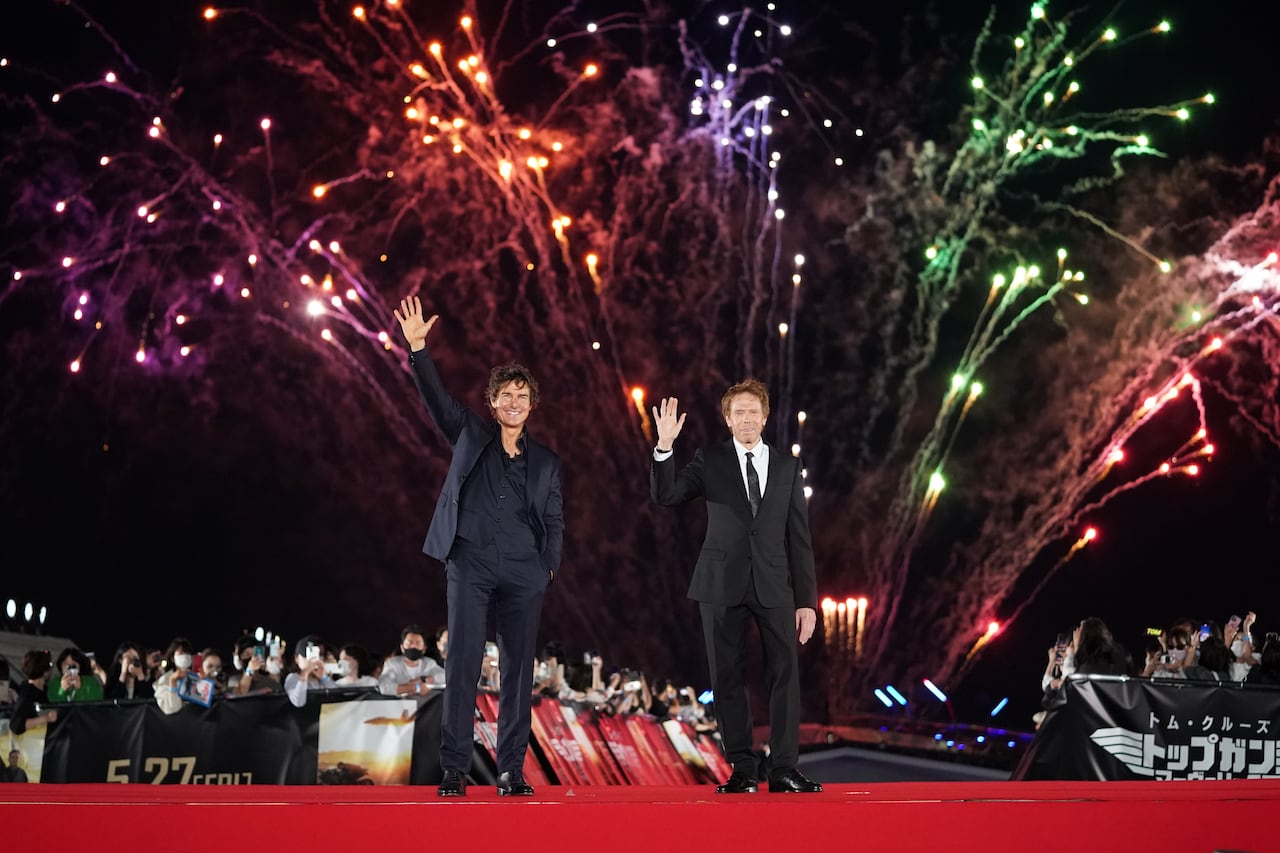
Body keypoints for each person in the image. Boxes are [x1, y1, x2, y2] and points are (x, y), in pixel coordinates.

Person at [394, 295, 564, 799]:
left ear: (533, 405)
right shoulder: (468, 431)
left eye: (522, 396)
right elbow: (435, 397)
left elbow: (555, 519)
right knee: (463, 664)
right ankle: (454, 770)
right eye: (505, 395)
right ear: (493, 403)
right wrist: (419, 348)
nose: (514, 403)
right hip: (468, 561)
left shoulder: (548, 461)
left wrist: (547, 567)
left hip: (524, 570)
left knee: (517, 673)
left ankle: (511, 770)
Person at [650, 382, 822, 794]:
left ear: (764, 417)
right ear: (727, 420)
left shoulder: (786, 468)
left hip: (774, 585)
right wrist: (664, 447)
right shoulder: (708, 460)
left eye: (753, 412)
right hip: (719, 583)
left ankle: (783, 769)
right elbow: (667, 495)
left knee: (784, 674)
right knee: (727, 676)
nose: (746, 419)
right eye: (738, 413)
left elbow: (800, 539)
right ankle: (743, 768)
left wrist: (807, 602)